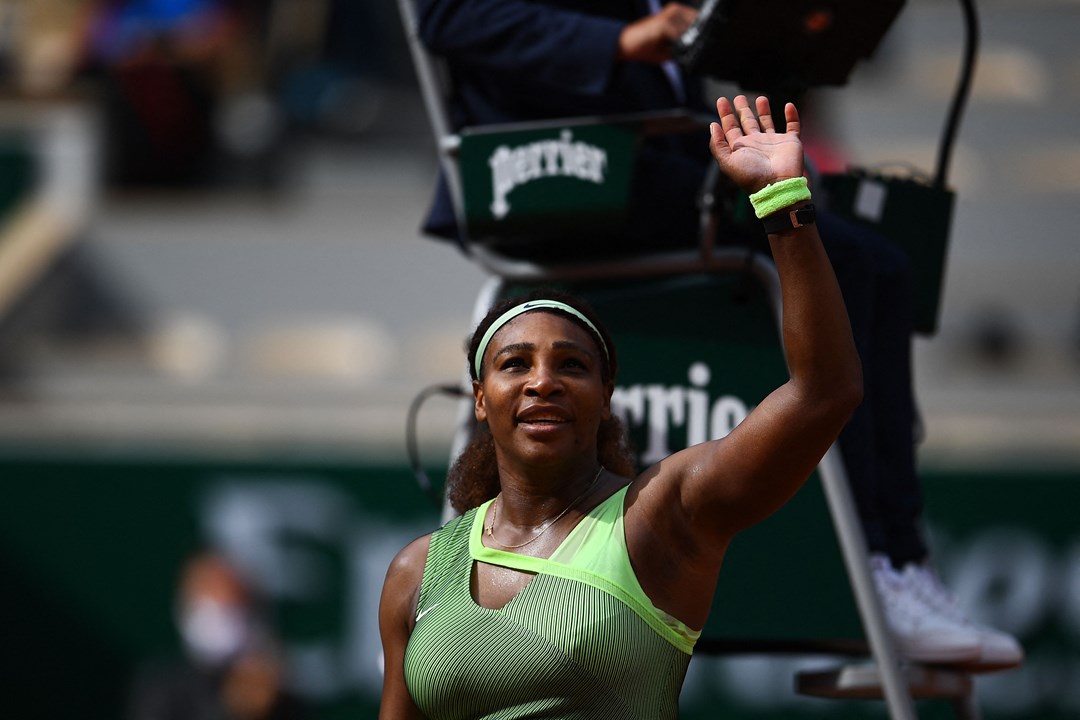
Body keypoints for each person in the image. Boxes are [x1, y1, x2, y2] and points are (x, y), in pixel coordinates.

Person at [411, 0, 1023, 671]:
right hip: (561, 165)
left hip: (660, 150)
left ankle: (898, 559)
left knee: (884, 257)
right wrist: (621, 39)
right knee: (849, 258)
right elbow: (447, 17)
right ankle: (876, 571)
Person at [378, 94, 863, 718]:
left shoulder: (660, 516)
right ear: (479, 397)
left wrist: (782, 205)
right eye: (515, 363)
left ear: (606, 399)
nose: (543, 381)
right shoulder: (416, 574)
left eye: (572, 365)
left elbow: (825, 393)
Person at [128, 551, 308, 720]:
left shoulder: (273, 689)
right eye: (211, 607)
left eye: (233, 609)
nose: (221, 620)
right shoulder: (161, 685)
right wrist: (233, 709)